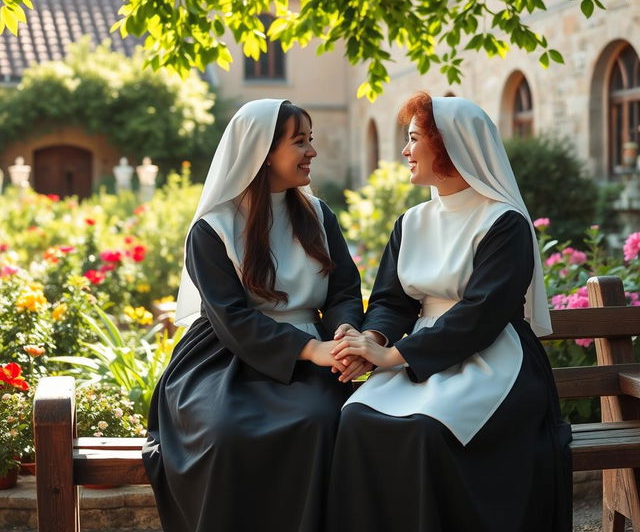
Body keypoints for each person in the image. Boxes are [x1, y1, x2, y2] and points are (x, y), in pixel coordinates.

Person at [328, 93, 572, 532]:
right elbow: (391, 301)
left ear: (450, 145)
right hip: (420, 356)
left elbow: (481, 314)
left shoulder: (503, 222)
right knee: (355, 417)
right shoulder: (411, 222)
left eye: (414, 139)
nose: (405, 151)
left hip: (494, 358)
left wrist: (395, 357)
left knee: (427, 431)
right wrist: (376, 342)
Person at [142, 98, 364, 532]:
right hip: (223, 357)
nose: (312, 152)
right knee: (224, 435)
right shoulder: (212, 229)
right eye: (299, 142)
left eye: (311, 140)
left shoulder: (319, 216)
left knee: (320, 422)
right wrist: (312, 349)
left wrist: (343, 335)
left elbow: (343, 291)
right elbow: (232, 318)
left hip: (315, 353)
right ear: (262, 153)